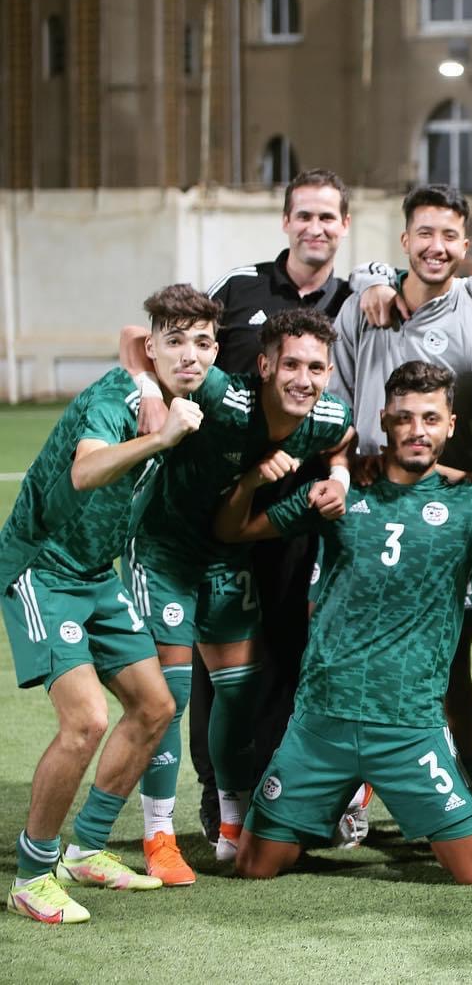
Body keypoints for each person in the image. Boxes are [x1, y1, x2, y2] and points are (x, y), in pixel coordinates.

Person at [213, 361, 472, 884]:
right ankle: (336, 799)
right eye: (405, 417)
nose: (418, 430)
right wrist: (255, 479)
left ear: (450, 426)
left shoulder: (471, 505)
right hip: (322, 720)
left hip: (409, 727)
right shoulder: (342, 491)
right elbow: (233, 530)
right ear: (384, 421)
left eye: (431, 419)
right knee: (255, 868)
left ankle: (364, 794)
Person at [2, 285, 219, 924]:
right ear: (153, 348)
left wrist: (157, 384)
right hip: (42, 568)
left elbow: (135, 333)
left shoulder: (176, 379)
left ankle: (87, 850)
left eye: (202, 343)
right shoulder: (114, 399)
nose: (190, 355)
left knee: (155, 705)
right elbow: (85, 472)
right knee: (86, 722)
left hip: (97, 574)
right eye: (174, 342)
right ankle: (32, 875)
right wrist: (161, 432)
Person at [158, 169, 359, 850]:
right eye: (305, 215)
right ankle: (218, 791)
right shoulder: (238, 288)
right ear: (285, 221)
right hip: (217, 514)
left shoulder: (356, 298)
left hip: (297, 514)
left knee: (292, 652)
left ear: (345, 225)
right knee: (217, 662)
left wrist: (338, 472)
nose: (316, 227)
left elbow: (342, 426)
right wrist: (155, 402)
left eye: (328, 217)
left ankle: (282, 792)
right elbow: (174, 350)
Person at [125, 309, 353, 880]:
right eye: (291, 365)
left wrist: (339, 476)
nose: (303, 379)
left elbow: (344, 439)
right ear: (265, 366)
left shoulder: (329, 414)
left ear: (330, 373)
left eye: (316, 368)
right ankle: (159, 835)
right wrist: (148, 388)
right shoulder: (226, 395)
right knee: (168, 699)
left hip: (226, 554)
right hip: (163, 548)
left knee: (238, 693)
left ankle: (232, 826)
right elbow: (134, 337)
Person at [331, 190, 472, 785]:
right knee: (344, 641)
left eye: (449, 236)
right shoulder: (362, 309)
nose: (436, 247)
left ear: (465, 246)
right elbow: (333, 405)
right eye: (425, 233)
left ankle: (462, 776)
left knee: (449, 653)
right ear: (405, 241)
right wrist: (345, 463)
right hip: (361, 501)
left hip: (441, 511)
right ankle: (351, 790)